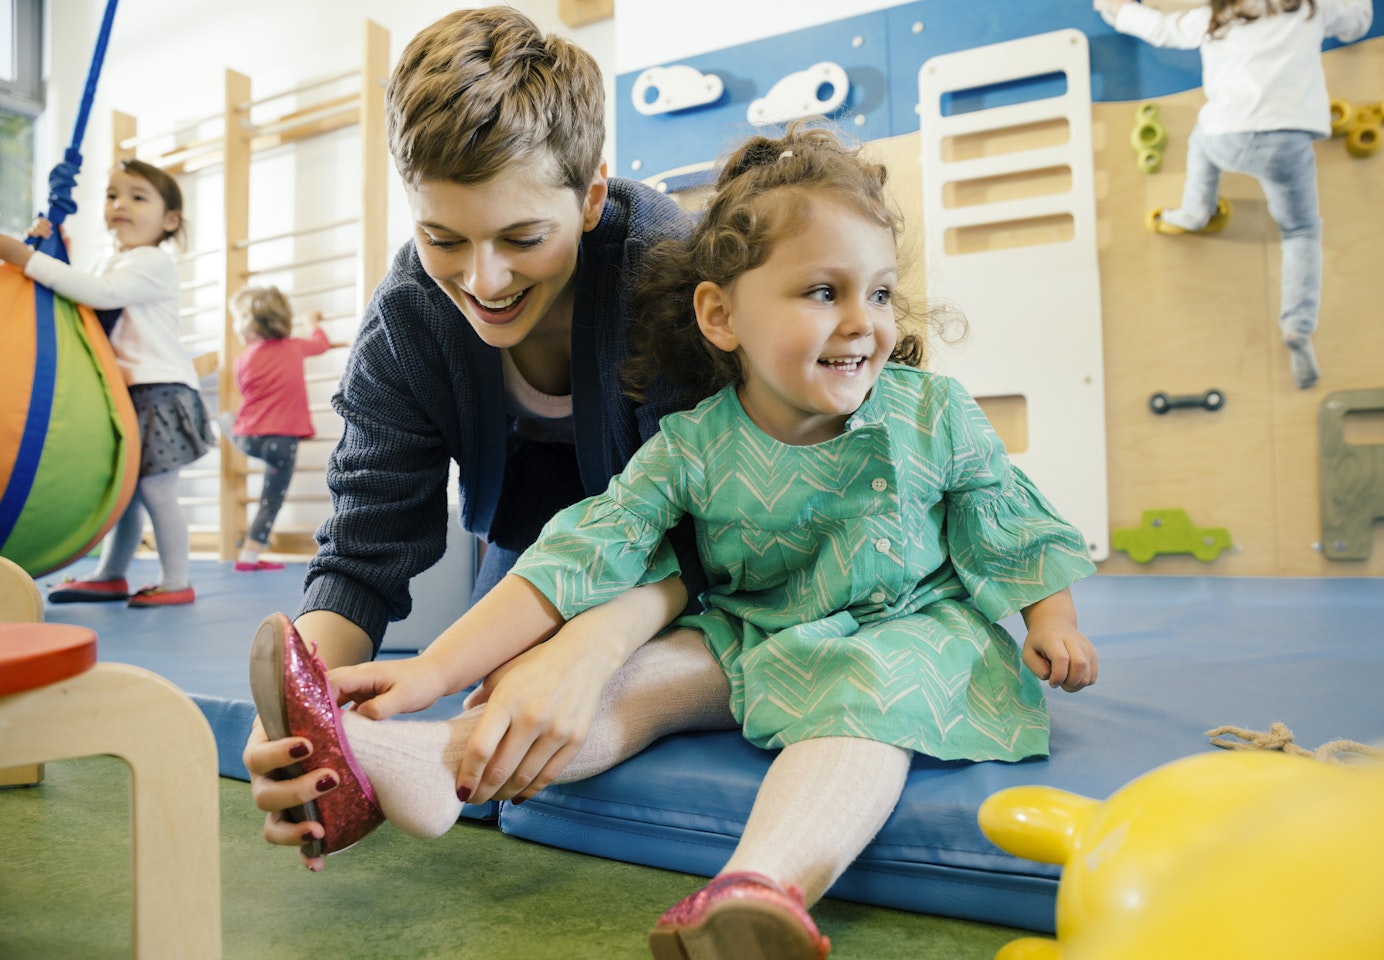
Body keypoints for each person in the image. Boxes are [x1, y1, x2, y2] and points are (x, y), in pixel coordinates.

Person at [251, 122, 1100, 960]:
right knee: (627, 680)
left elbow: (1005, 515)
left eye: (877, 292)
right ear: (720, 316)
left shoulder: (928, 413)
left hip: (903, 630)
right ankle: (417, 760)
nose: (862, 322)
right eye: (822, 293)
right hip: (750, 628)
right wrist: (432, 671)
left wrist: (1048, 618)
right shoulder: (692, 445)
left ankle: (761, 888)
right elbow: (576, 556)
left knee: (860, 706)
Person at [243, 6, 702, 864]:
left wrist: (592, 642)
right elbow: (362, 553)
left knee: (578, 681)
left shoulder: (664, 273)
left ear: (593, 195)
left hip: (676, 556)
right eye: (441, 237)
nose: (482, 280)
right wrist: (305, 714)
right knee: (503, 683)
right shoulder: (408, 321)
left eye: (523, 238)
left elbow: (715, 535)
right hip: (529, 539)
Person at [1094, 0, 1374, 390]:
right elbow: (1358, 22)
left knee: (1200, 140)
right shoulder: (1311, 8)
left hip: (1226, 135)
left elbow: (1161, 30)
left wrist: (1117, 8)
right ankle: (1297, 326)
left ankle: (1194, 212)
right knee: (1301, 233)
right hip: (1286, 140)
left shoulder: (1214, 17)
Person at [0, 158, 210, 606]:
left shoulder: (153, 261)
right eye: (113, 195)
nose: (121, 205)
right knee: (126, 490)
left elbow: (101, 295)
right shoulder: (113, 260)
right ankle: (112, 573)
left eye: (138, 197)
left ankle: (177, 580)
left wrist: (33, 261)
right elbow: (83, 298)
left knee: (157, 489)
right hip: (127, 393)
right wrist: (53, 246)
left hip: (160, 390)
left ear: (170, 220)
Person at [225, 285, 330, 572]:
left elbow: (243, 388)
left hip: (249, 437)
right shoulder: (295, 347)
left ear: (249, 328)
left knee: (229, 418)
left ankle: (223, 424)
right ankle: (249, 557)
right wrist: (313, 323)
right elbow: (321, 344)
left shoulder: (243, 359)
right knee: (270, 502)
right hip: (281, 442)